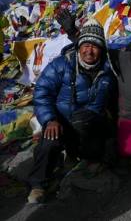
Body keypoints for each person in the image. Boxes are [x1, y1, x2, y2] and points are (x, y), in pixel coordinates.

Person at [56, 10, 131, 163]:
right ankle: (128, 140)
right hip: (128, 117)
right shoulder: (123, 58)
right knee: (127, 153)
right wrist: (72, 31)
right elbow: (95, 49)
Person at [27, 18, 115, 204]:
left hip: (90, 123)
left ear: (102, 49)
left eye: (95, 46)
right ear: (79, 45)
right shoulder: (61, 65)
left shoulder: (109, 69)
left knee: (96, 127)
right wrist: (49, 119)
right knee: (49, 140)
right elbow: (42, 93)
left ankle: (85, 157)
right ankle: (37, 185)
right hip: (60, 121)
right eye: (86, 45)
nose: (89, 51)